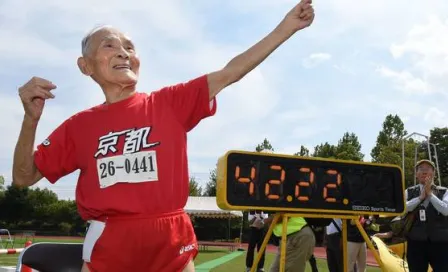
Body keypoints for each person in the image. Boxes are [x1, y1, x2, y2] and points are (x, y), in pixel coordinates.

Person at [11, 1, 315, 271]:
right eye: (109, 45)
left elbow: (229, 72)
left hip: (173, 242)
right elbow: (24, 177)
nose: (123, 52)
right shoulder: (78, 126)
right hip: (110, 246)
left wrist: (286, 27)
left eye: (130, 46)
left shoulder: (168, 104)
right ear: (85, 66)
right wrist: (30, 120)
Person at [405, 159, 448, 272]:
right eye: (421, 169)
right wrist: (420, 198)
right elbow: (403, 209)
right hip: (416, 243)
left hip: (440, 244)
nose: (424, 172)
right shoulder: (409, 192)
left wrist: (430, 195)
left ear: (433, 173)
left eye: (427, 169)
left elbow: (446, 210)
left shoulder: (444, 191)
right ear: (416, 175)